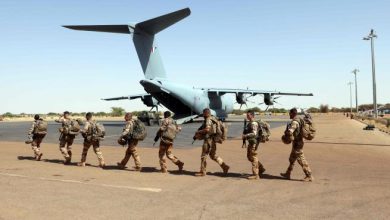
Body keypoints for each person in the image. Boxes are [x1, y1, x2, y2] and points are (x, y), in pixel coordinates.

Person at [193, 108, 230, 177]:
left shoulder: (208, 120)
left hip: (208, 140)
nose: (203, 115)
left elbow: (207, 129)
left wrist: (198, 132)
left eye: (203, 113)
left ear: (205, 113)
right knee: (213, 155)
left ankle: (202, 171)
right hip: (213, 140)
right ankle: (225, 166)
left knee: (203, 156)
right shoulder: (214, 118)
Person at [280, 108, 314, 182]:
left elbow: (291, 131)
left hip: (297, 143)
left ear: (293, 113)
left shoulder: (295, 122)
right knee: (292, 159)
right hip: (297, 142)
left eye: (290, 113)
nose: (289, 114)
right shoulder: (299, 119)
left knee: (301, 159)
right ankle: (288, 173)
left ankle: (309, 175)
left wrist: (287, 134)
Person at [242, 110, 266, 180]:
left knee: (253, 157)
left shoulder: (254, 124)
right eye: (247, 115)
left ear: (252, 116)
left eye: (248, 115)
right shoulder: (249, 123)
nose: (247, 116)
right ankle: (261, 168)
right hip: (251, 142)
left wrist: (246, 135)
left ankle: (256, 174)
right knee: (249, 157)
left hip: (254, 142)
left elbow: (254, 133)